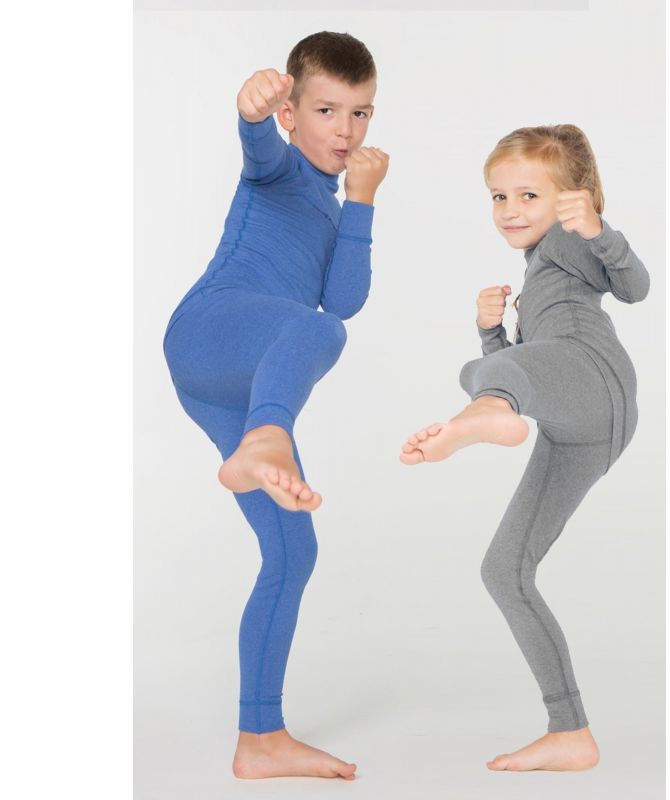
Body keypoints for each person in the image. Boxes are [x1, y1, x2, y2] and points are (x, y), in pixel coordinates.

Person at [162, 31, 389, 780]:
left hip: (245, 378)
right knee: (312, 330)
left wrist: (362, 201)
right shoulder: (279, 168)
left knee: (293, 551)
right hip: (209, 333)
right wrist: (252, 110)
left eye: (361, 113)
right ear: (294, 113)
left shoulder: (334, 206)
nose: (345, 131)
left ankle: (259, 738)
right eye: (326, 110)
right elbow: (257, 147)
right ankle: (267, 437)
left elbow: (345, 297)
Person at [399, 125, 649, 772]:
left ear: (569, 199)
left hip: (591, 372)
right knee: (504, 571)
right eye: (498, 196)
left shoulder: (569, 238)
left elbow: (635, 287)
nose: (509, 210)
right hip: (583, 424)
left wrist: (599, 229)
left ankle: (489, 411)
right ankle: (570, 732)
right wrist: (491, 332)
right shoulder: (539, 266)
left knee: (486, 379)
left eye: (527, 195)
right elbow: (526, 366)